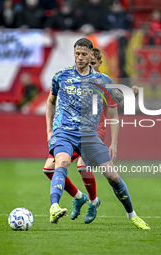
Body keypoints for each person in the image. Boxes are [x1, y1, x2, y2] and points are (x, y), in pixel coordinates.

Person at [46, 38, 150, 229]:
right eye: (77, 53)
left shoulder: (102, 80)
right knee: (61, 163)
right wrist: (50, 129)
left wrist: (132, 94)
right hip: (64, 132)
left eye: (84, 54)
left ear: (91, 55)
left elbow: (120, 101)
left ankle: (132, 215)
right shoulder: (61, 75)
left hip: (88, 135)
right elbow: (50, 101)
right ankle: (54, 206)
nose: (79, 58)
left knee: (112, 176)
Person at [43, 47, 122, 224]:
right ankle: (79, 197)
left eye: (93, 63)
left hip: (94, 130)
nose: (89, 65)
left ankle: (94, 201)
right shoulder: (73, 79)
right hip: (70, 130)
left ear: (99, 63)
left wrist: (114, 142)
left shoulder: (102, 82)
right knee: (49, 168)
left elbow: (118, 102)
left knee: (82, 166)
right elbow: (54, 99)